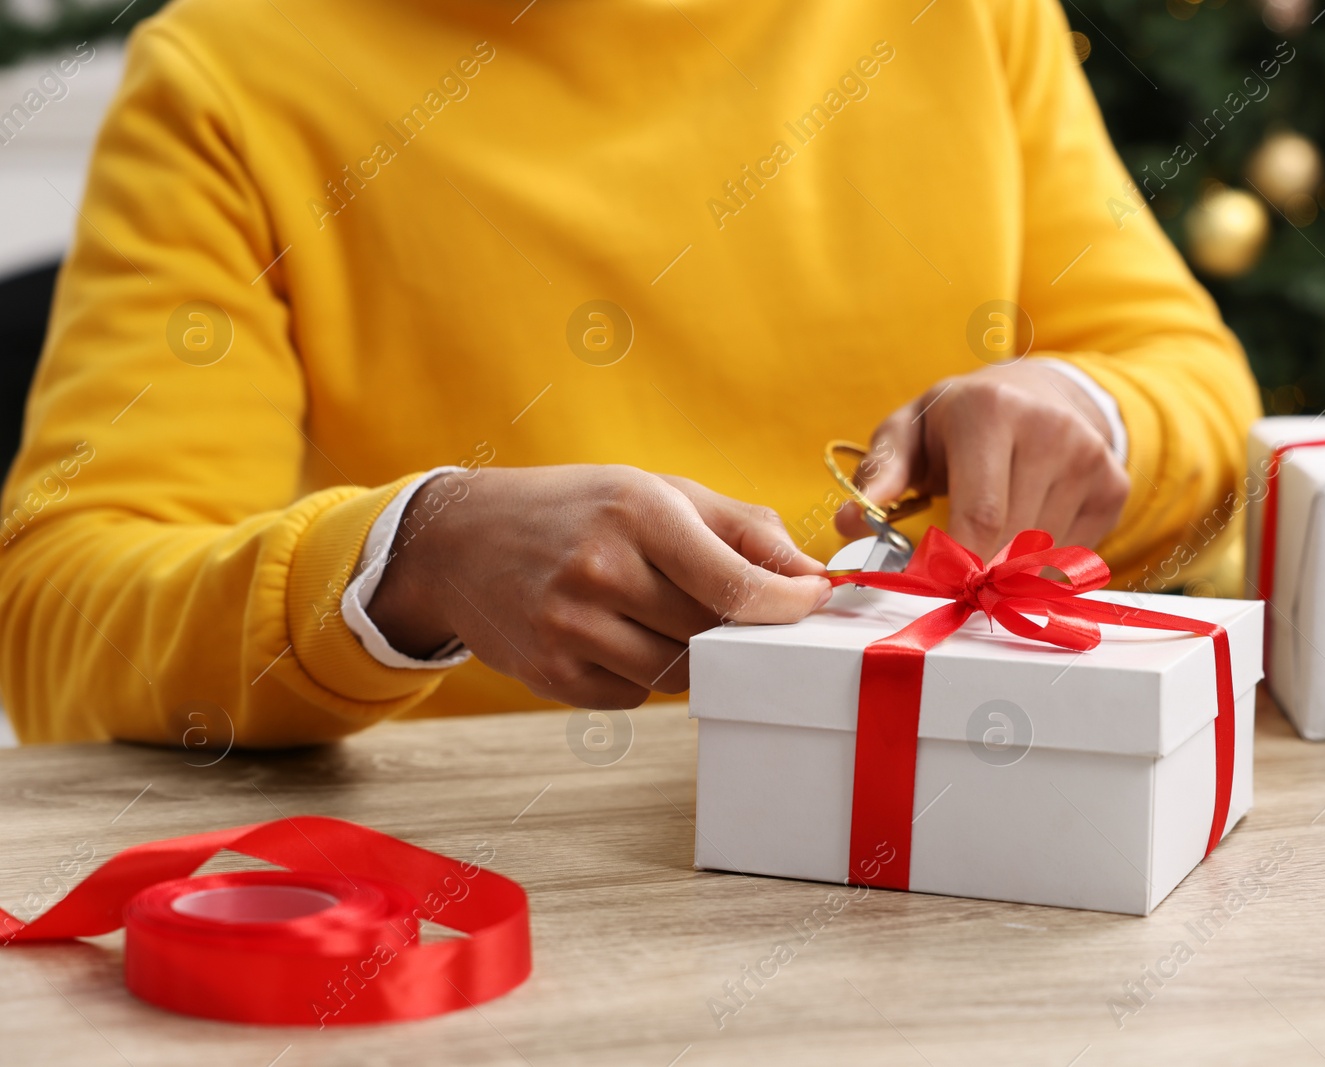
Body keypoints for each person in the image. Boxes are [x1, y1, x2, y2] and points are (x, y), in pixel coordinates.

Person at [0, 0, 1258, 746]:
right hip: (488, 940)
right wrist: (405, 558)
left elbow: (1195, 400)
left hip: (959, 846)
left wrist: (1091, 413)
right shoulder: (233, 73)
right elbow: (62, 615)